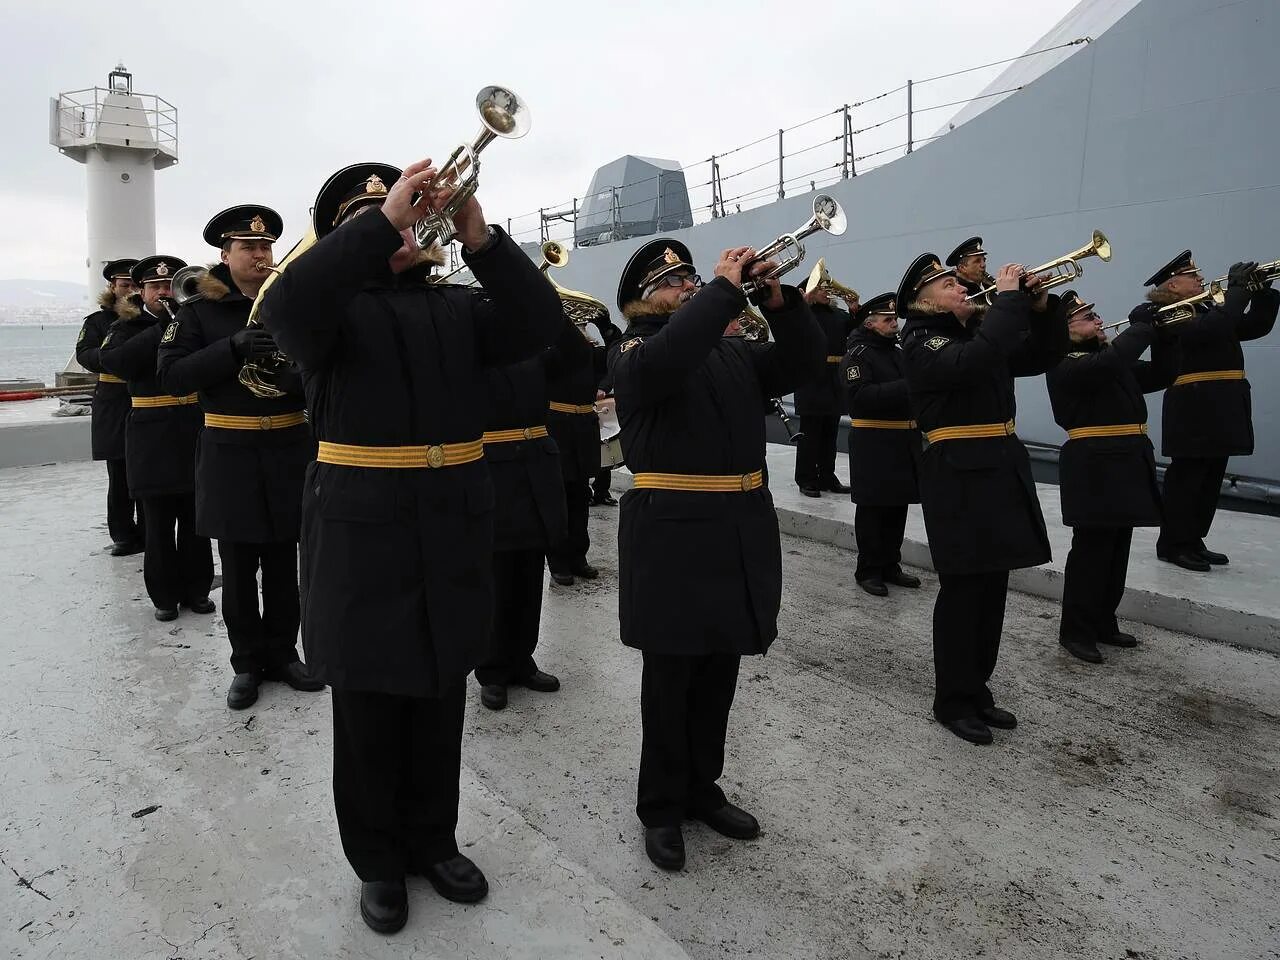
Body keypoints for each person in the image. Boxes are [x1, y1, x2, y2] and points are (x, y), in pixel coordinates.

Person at [258, 159, 562, 934]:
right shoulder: (326, 314)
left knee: (440, 687)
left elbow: (539, 326)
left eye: (411, 214)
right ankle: (378, 861)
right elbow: (288, 302)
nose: (407, 225)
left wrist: (481, 237)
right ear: (349, 235)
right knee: (367, 705)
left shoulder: (459, 307)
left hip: (453, 523)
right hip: (362, 534)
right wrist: (380, 222)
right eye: (386, 217)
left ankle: (433, 839)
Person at [608, 237, 824, 871]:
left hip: (736, 528)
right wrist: (725, 292)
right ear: (641, 300)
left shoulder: (731, 350)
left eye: (692, 279)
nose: (689, 288)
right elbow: (666, 363)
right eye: (673, 283)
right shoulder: (632, 351)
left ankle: (703, 787)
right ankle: (661, 805)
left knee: (719, 672)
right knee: (671, 678)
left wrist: (779, 301)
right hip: (672, 535)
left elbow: (806, 362)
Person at [156, 204, 324, 710]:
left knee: (282, 564)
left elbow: (319, 373)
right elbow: (171, 375)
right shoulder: (197, 314)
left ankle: (283, 654)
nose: (260, 254)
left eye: (266, 246)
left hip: (288, 449)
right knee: (238, 564)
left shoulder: (290, 305)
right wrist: (231, 349)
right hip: (230, 453)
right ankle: (246, 663)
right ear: (224, 256)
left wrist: (290, 380)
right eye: (248, 247)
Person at [898, 253, 1065, 745]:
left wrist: (1040, 308)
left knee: (993, 588)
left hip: (997, 466)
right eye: (948, 284)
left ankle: (978, 689)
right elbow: (971, 364)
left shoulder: (976, 333)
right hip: (957, 474)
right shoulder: (922, 339)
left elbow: (1041, 356)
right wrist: (1010, 302)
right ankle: (952, 699)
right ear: (923, 300)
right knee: (964, 591)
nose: (961, 287)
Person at [1046, 291, 1177, 663]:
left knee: (1118, 548)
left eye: (1096, 313)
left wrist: (1166, 334)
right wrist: (1142, 326)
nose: (1099, 320)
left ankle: (1104, 620)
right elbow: (1112, 361)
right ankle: (1076, 630)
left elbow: (1164, 373)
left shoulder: (1105, 360)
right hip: (1094, 466)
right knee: (1092, 552)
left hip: (1125, 462)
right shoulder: (1064, 362)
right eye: (1088, 317)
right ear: (1065, 330)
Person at [474, 313, 589, 709]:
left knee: (528, 574)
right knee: (495, 576)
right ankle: (491, 668)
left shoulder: (534, 352)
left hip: (536, 468)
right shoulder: (473, 354)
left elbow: (578, 355)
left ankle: (522, 658)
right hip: (492, 468)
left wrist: (547, 309)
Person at [1144, 251, 1279, 571]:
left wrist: (1262, 291)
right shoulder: (1166, 312)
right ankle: (1173, 543)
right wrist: (1237, 291)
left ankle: (1193, 539)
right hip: (1193, 404)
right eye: (1193, 275)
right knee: (1188, 479)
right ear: (1173, 285)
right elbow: (1213, 328)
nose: (1201, 279)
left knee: (1210, 477)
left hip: (1220, 403)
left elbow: (1254, 326)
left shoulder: (1207, 309)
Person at [99, 256, 215, 622]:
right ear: (141, 291)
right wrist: (162, 327)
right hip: (150, 433)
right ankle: (164, 597)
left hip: (192, 427)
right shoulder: (126, 327)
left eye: (168, 286)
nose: (164, 292)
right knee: (159, 522)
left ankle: (197, 590)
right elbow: (116, 362)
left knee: (197, 519)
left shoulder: (195, 321)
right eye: (155, 287)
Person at [841, 292, 921, 597]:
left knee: (897, 506)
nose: (894, 324)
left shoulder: (898, 352)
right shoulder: (858, 355)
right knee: (873, 509)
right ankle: (869, 569)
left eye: (895, 319)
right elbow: (859, 398)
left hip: (901, 440)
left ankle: (890, 565)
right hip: (873, 442)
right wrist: (907, 387)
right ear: (870, 323)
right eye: (888, 320)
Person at [544, 311, 621, 585]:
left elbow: (614, 358)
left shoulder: (592, 352)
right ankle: (559, 562)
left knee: (580, 495)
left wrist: (606, 326)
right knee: (560, 498)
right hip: (558, 425)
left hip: (585, 425)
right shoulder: (551, 351)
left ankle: (579, 557)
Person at [75, 258, 144, 556]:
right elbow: (84, 354)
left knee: (149, 471)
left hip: (145, 399)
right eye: (124, 284)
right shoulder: (97, 322)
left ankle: (149, 531)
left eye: (134, 284)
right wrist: (116, 356)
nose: (129, 289)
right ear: (113, 286)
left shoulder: (152, 318)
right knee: (119, 473)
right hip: (114, 401)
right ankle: (123, 535)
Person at [791, 276, 855, 496]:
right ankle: (806, 478)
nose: (827, 291)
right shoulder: (804, 314)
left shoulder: (839, 315)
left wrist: (855, 310)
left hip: (834, 379)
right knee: (809, 433)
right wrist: (802, 304)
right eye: (821, 288)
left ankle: (828, 476)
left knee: (830, 432)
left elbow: (855, 330)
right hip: (811, 378)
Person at [946, 236, 991, 303]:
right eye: (977, 261)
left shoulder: (989, 288)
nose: (983, 265)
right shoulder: (960, 293)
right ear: (962, 268)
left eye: (984, 260)